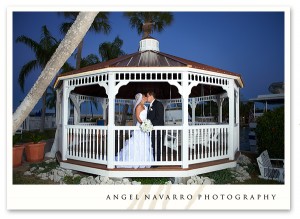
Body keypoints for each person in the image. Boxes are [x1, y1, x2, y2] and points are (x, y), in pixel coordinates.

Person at [115, 93, 153, 168]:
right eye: (144, 96)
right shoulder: (138, 106)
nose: (145, 97)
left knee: (144, 144)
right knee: (137, 144)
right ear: (141, 98)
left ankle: (144, 161)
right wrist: (143, 124)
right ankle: (134, 161)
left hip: (144, 127)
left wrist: (147, 123)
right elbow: (138, 117)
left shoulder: (145, 106)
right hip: (140, 127)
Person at [146, 91, 165, 163]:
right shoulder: (149, 106)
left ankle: (157, 162)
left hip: (158, 130)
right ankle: (153, 160)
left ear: (151, 96)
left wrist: (149, 125)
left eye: (147, 96)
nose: (147, 98)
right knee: (153, 145)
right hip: (151, 130)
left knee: (158, 146)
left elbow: (159, 118)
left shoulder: (158, 104)